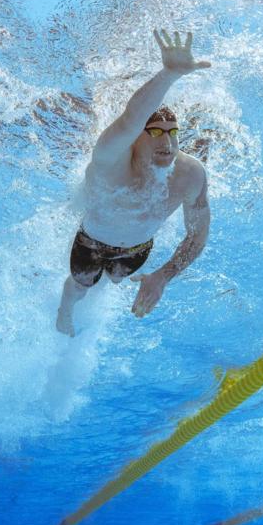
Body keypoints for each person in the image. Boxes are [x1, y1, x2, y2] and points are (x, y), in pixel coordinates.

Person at [56, 29, 212, 337]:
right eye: (155, 132)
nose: (166, 141)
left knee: (114, 280)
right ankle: (65, 310)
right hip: (91, 243)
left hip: (138, 250)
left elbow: (196, 238)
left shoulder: (191, 174)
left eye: (172, 132)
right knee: (79, 286)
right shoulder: (111, 161)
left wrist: (163, 277)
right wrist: (169, 75)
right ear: (135, 138)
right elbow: (129, 119)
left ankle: (101, 290)